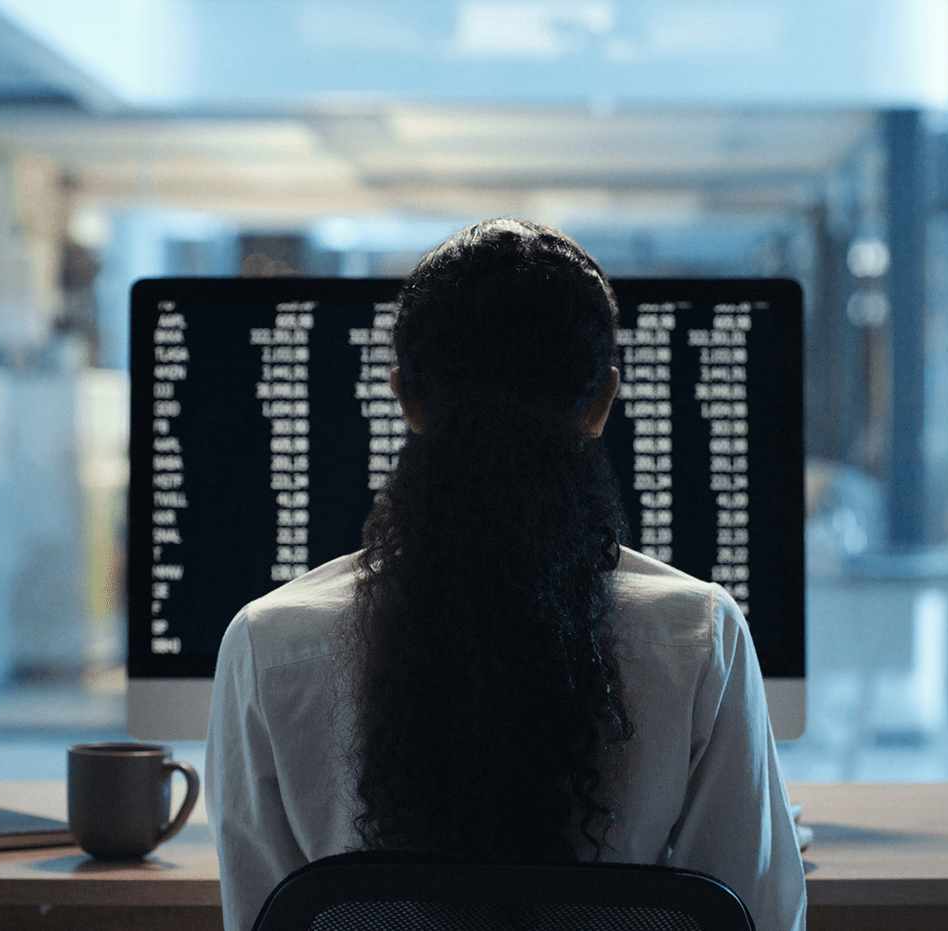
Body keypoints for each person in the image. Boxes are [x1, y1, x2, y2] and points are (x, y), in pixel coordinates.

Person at [205, 219, 807, 931]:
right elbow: (759, 919)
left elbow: (259, 920)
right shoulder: (701, 636)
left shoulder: (265, 643)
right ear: (602, 402)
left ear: (405, 398)